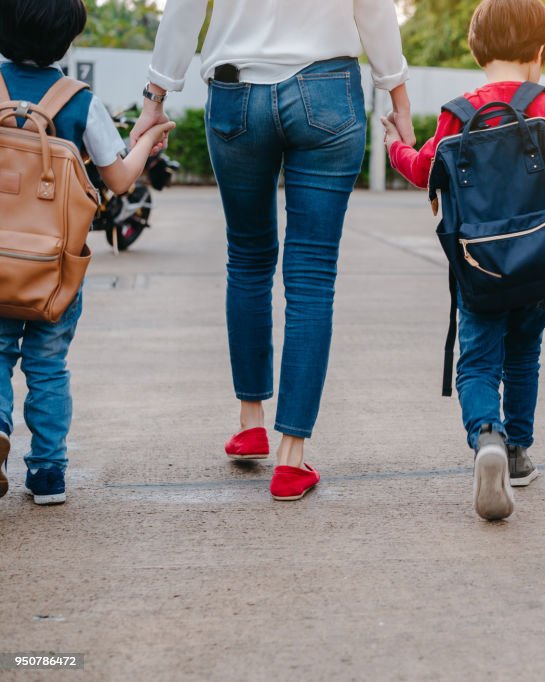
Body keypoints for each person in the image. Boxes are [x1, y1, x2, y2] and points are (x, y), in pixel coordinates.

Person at [133, 0, 414, 501]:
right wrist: (398, 97)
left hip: (236, 90)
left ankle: (250, 423)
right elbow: (373, 9)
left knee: (247, 259)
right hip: (329, 91)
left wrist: (155, 97)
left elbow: (183, 9)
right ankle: (291, 458)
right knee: (311, 275)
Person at [382, 0, 545, 519]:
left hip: (479, 267)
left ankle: (487, 437)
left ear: (478, 51)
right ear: (541, 52)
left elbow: (423, 171)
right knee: (523, 356)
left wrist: (395, 146)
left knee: (477, 361)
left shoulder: (459, 113)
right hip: (541, 264)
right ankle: (518, 453)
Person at [0, 0, 175, 504]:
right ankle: (48, 473)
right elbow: (119, 179)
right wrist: (149, 141)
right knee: (48, 366)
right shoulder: (79, 101)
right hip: (53, 269)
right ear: (66, 41)